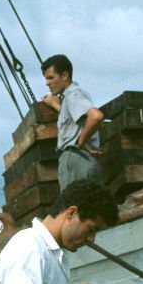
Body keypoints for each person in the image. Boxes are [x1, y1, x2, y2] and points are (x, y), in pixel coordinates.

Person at [41, 54, 104, 187]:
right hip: (81, 159)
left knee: (73, 204)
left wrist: (81, 143)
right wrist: (55, 105)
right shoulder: (72, 97)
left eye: (51, 78)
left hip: (75, 158)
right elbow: (74, 120)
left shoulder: (73, 95)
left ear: (64, 75)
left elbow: (96, 116)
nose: (47, 83)